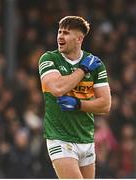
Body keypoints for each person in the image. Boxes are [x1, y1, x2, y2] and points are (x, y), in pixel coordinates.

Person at [38, 16, 111, 179]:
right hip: (60, 138)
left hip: (86, 137)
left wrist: (78, 104)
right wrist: (83, 70)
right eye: (59, 32)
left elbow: (105, 105)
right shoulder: (49, 59)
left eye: (66, 33)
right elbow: (57, 88)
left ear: (79, 38)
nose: (60, 37)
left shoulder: (96, 64)